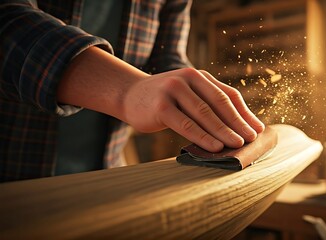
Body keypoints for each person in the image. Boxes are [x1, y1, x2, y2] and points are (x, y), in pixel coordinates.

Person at [0, 0, 265, 182]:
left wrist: (197, 96)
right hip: (13, 184)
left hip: (104, 180)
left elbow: (166, 59)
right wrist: (126, 90)